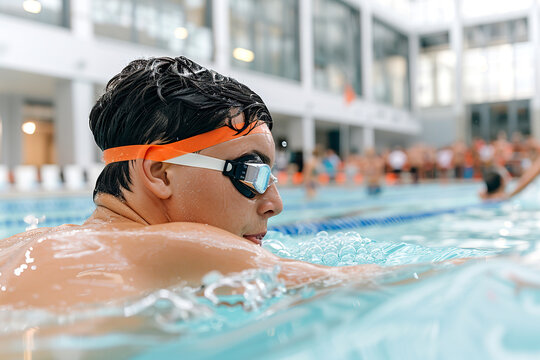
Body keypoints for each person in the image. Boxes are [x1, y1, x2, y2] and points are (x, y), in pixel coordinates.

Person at [0, 57, 380, 309]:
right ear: (159, 172)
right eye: (251, 172)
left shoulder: (18, 245)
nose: (274, 202)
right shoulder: (185, 245)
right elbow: (373, 286)